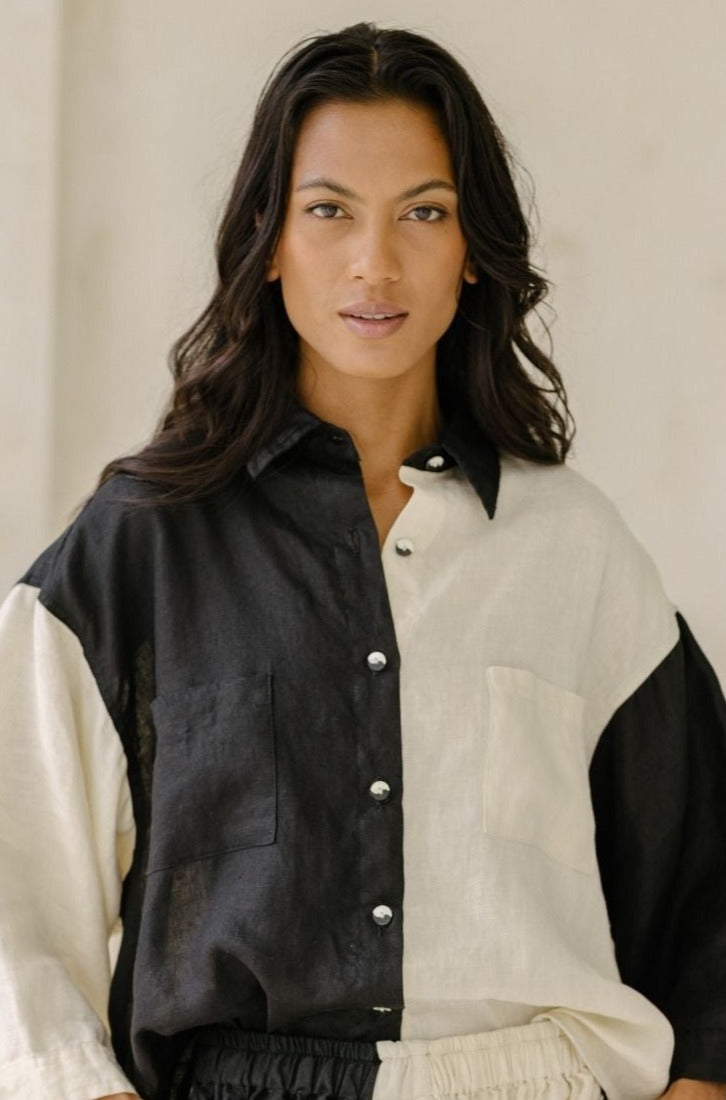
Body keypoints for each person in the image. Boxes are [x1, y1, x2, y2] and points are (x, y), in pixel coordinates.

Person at [1, 20, 725, 1100]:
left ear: (472, 248)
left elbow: (705, 899)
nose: (374, 263)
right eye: (329, 210)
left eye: (423, 212)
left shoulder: (575, 548)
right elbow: (18, 901)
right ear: (268, 240)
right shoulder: (142, 546)